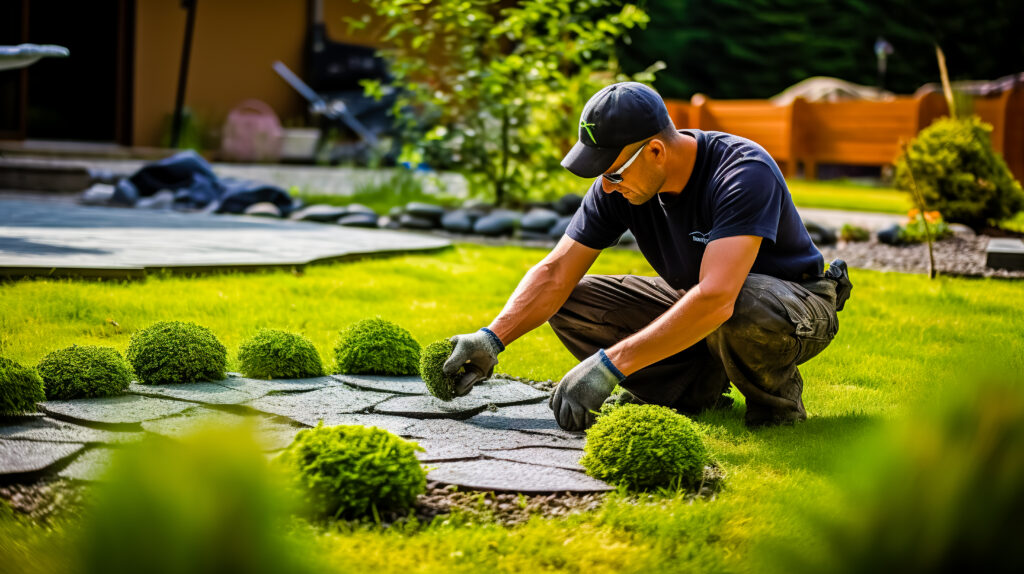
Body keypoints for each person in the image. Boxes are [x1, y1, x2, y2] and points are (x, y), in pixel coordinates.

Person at [442, 82, 852, 431]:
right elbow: (555, 272)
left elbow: (717, 298)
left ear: (656, 151)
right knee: (568, 300)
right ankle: (688, 393)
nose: (605, 187)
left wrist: (608, 366)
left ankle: (776, 410)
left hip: (793, 309)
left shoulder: (742, 171)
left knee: (741, 301)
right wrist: (491, 338)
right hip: (703, 299)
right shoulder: (619, 186)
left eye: (613, 172)